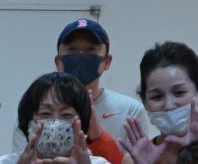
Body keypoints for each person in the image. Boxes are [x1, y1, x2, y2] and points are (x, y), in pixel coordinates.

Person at [53, 16, 148, 147]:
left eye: (91, 49)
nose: (81, 55)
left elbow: (137, 159)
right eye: (71, 49)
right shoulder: (39, 108)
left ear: (107, 62)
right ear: (58, 62)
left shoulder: (130, 111)